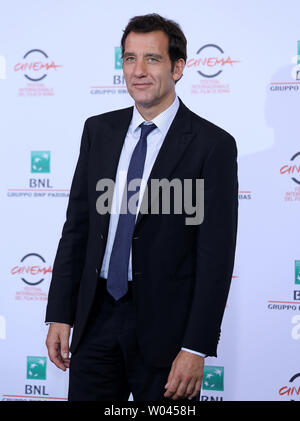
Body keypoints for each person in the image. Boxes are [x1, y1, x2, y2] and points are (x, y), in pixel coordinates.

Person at [45, 13, 238, 401]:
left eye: (152, 59)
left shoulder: (211, 145)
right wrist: (60, 312)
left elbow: (215, 256)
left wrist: (196, 346)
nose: (138, 71)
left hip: (167, 331)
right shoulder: (98, 130)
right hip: (95, 317)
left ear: (178, 67)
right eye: (130, 58)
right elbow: (77, 229)